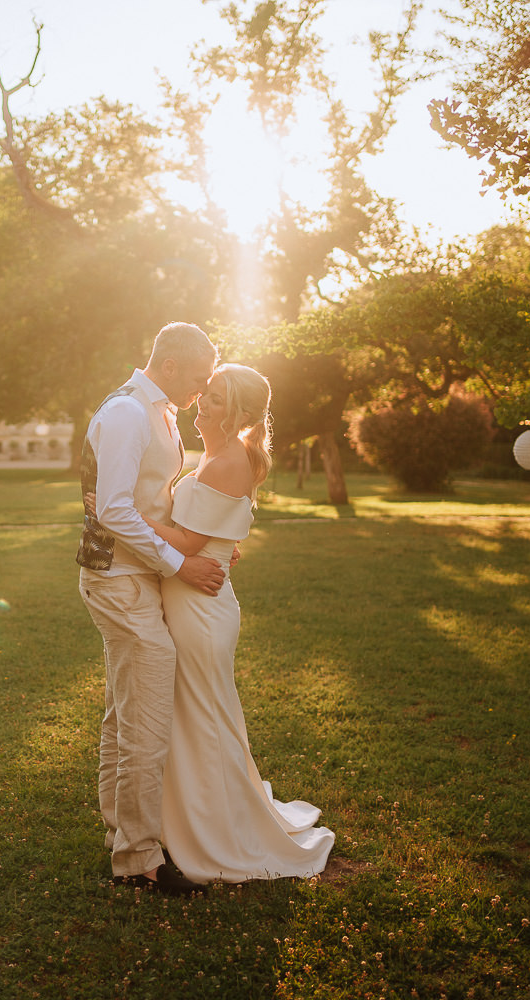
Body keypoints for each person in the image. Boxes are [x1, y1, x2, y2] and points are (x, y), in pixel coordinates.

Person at [149, 363, 335, 882]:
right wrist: (223, 548)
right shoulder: (219, 456)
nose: (200, 402)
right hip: (196, 599)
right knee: (197, 717)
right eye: (204, 392)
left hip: (200, 609)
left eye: (214, 397)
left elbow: (185, 543)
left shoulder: (227, 460)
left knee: (204, 721)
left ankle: (217, 835)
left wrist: (117, 511)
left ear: (240, 414)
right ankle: (190, 819)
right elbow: (216, 531)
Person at [77, 322, 226, 896]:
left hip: (134, 578)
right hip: (119, 581)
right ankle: (139, 859)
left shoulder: (155, 409)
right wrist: (179, 565)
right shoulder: (126, 414)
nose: (201, 388)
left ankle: (122, 832)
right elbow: (114, 510)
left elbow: (154, 497)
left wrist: (208, 536)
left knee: (125, 712)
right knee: (146, 718)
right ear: (169, 365)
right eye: (197, 377)